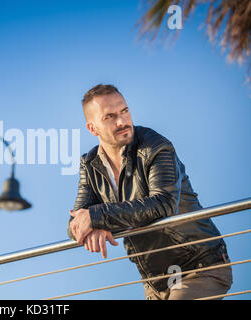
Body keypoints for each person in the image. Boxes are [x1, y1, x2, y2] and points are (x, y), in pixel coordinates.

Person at [68, 84, 232, 300]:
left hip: (200, 264)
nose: (122, 122)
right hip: (155, 282)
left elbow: (163, 203)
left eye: (124, 111)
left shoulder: (155, 146)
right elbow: (74, 224)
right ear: (92, 128)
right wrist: (93, 224)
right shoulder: (90, 164)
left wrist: (98, 217)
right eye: (109, 116)